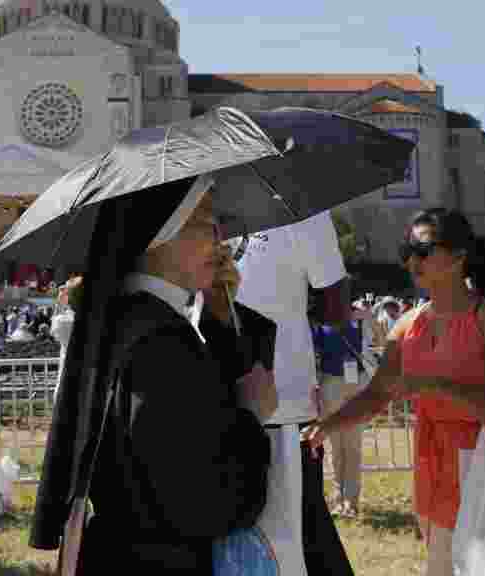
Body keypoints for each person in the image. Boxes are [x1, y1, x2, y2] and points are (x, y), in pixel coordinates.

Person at [31, 176, 277, 574]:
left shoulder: (125, 320)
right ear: (159, 235)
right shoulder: (161, 341)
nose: (220, 240)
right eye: (204, 222)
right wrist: (251, 415)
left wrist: (219, 320)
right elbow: (206, 503)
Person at [305, 208, 485, 576]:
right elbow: (377, 395)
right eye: (406, 250)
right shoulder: (409, 324)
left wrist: (433, 386)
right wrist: (326, 426)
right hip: (433, 466)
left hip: (482, 467)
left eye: (422, 250)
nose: (412, 260)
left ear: (459, 258)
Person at [234, 210, 355, 575]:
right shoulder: (210, 201)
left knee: (301, 532)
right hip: (219, 400)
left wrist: (286, 326)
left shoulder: (304, 212)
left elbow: (336, 304)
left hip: (284, 406)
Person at [313, 277, 366, 518]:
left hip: (355, 384)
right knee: (336, 446)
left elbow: (376, 338)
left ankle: (351, 500)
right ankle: (338, 499)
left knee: (352, 445)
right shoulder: (321, 323)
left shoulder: (359, 317)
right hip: (332, 383)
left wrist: (367, 318)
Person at [49, 276, 81, 400]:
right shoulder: (98, 320)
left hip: (67, 389)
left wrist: (60, 301)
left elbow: (54, 327)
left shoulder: (65, 322)